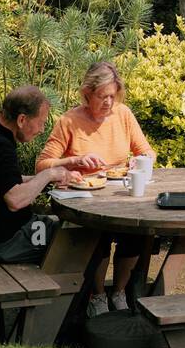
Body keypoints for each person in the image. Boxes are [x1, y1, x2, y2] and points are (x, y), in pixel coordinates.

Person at [36, 61, 156, 316]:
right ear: (87, 94)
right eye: (102, 96)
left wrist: (139, 160)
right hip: (85, 200)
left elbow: (147, 152)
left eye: (113, 96)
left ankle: (120, 291)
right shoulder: (69, 121)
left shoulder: (123, 115)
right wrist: (74, 161)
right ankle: (97, 295)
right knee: (97, 240)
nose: (108, 103)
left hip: (120, 195)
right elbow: (42, 165)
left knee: (135, 235)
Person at [0, 86, 101, 265]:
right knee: (81, 239)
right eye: (41, 122)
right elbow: (15, 200)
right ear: (21, 119)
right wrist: (49, 174)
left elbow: (4, 182)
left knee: (65, 227)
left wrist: (58, 173)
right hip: (7, 242)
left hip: (4, 233)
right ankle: (73, 292)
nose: (42, 129)